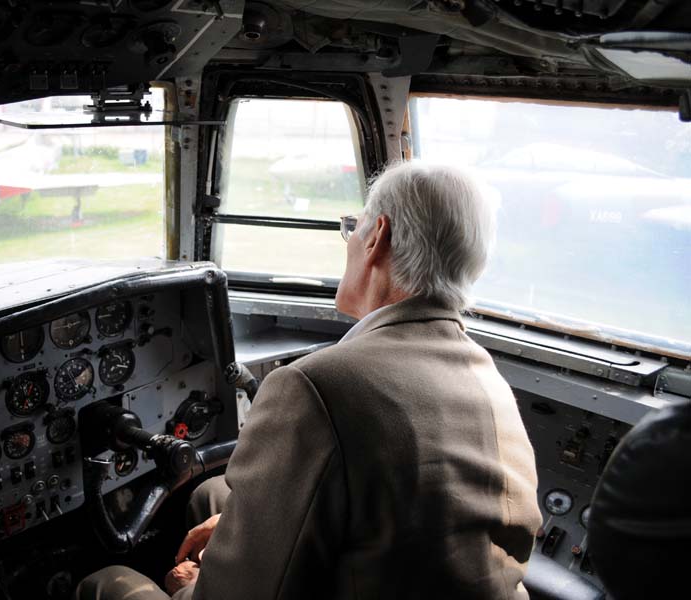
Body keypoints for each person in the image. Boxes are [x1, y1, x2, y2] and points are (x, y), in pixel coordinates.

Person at [76, 161, 543, 600]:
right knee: (211, 496)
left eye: (353, 227)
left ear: (377, 236)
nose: (350, 239)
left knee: (105, 581)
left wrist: (189, 584)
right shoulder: (487, 377)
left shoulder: (315, 386)